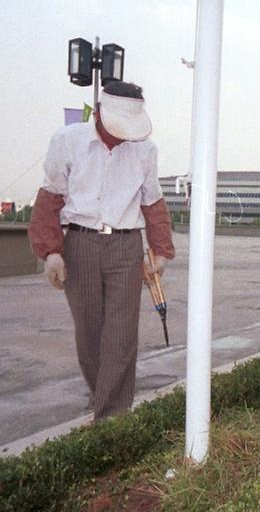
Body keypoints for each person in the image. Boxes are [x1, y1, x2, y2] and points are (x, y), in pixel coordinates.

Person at [28, 81, 175, 421]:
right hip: (79, 245)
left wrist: (161, 252)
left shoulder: (145, 150)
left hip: (126, 247)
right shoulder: (67, 141)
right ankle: (103, 400)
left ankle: (112, 416)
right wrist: (51, 251)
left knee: (122, 334)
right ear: (99, 113)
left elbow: (152, 202)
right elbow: (50, 197)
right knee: (90, 332)